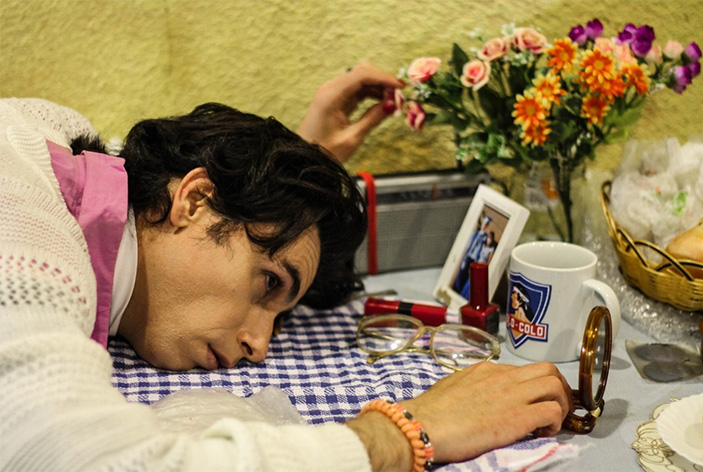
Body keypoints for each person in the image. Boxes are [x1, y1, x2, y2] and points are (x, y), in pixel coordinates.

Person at [0, 63, 573, 472]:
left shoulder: (59, 144)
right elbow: (79, 456)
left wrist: (291, 175)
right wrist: (409, 432)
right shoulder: (25, 245)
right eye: (269, 282)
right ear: (194, 201)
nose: (258, 345)